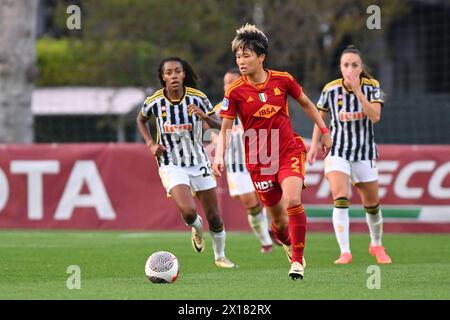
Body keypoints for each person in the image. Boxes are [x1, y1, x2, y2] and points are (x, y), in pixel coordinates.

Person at [212, 24, 332, 280]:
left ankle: (297, 262)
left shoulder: (283, 79)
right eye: (238, 56)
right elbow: (224, 129)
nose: (241, 61)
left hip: (288, 150)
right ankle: (286, 242)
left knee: (293, 201)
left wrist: (324, 130)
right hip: (259, 159)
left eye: (246, 55)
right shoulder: (234, 92)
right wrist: (219, 156)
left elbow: (307, 104)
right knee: (278, 223)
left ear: (261, 56)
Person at [137, 57, 236, 268]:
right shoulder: (155, 101)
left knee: (215, 217)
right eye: (169, 72)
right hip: (170, 163)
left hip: (198, 161)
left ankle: (220, 256)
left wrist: (204, 117)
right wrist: (150, 144)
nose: (174, 76)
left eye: (178, 71)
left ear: (183, 74)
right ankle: (196, 227)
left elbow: (220, 125)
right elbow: (141, 119)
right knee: (190, 211)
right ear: (163, 77)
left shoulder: (198, 98)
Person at [307, 45, 392, 265]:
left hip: (364, 152)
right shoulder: (330, 90)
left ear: (361, 67)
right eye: (346, 65)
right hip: (338, 151)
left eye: (354, 65)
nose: (350, 69)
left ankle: (376, 244)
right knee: (340, 196)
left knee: (372, 204)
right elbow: (320, 119)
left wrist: (357, 92)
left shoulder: (373, 87)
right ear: (340, 67)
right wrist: (314, 146)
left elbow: (375, 116)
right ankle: (345, 252)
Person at [212, 68, 275, 254]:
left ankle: (271, 228)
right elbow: (211, 131)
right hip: (237, 165)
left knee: (270, 199)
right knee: (251, 203)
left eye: (232, 81)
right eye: (225, 82)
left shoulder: (255, 102)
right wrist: (217, 140)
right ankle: (266, 241)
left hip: (260, 160)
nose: (228, 85)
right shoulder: (218, 109)